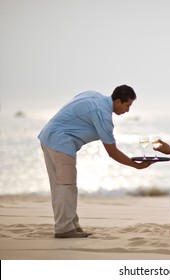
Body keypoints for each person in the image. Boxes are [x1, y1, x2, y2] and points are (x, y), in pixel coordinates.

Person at [38, 85, 154, 238]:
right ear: (118, 101)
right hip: (59, 141)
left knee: (67, 186)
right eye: (127, 105)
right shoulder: (103, 115)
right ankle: (64, 229)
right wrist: (136, 165)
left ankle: (72, 225)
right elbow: (112, 152)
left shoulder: (95, 96)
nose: (128, 110)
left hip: (53, 138)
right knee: (65, 186)